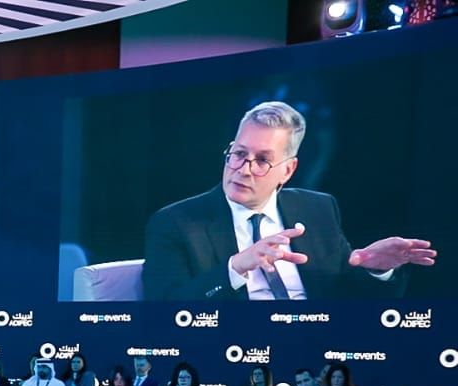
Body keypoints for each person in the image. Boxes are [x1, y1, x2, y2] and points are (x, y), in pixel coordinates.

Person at [143, 100, 436, 302]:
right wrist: (236, 267)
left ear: (288, 169)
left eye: (262, 160)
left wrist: (376, 269)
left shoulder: (317, 209)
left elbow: (346, 297)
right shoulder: (176, 223)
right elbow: (164, 309)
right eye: (239, 154)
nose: (243, 170)